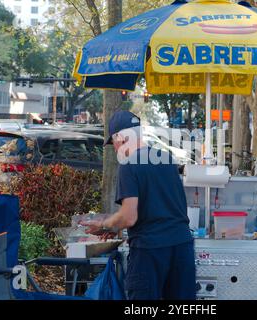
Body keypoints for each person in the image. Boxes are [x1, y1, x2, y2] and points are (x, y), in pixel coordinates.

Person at [82, 110, 196, 300]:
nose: (115, 149)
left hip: (150, 251)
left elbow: (129, 216)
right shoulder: (166, 158)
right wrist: (115, 226)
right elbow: (160, 205)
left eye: (114, 143)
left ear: (120, 137)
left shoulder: (129, 164)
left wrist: (104, 224)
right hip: (182, 247)